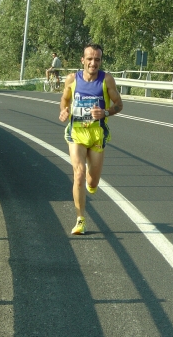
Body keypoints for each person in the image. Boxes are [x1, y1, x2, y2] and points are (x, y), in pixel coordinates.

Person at [59, 43, 123, 234]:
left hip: (97, 134)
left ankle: (90, 182)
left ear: (100, 61)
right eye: (89, 59)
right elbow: (64, 99)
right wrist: (64, 111)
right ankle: (80, 220)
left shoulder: (107, 80)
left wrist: (105, 112)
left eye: (97, 59)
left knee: (92, 183)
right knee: (78, 174)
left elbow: (119, 105)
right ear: (82, 60)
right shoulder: (72, 79)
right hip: (77, 133)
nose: (93, 63)